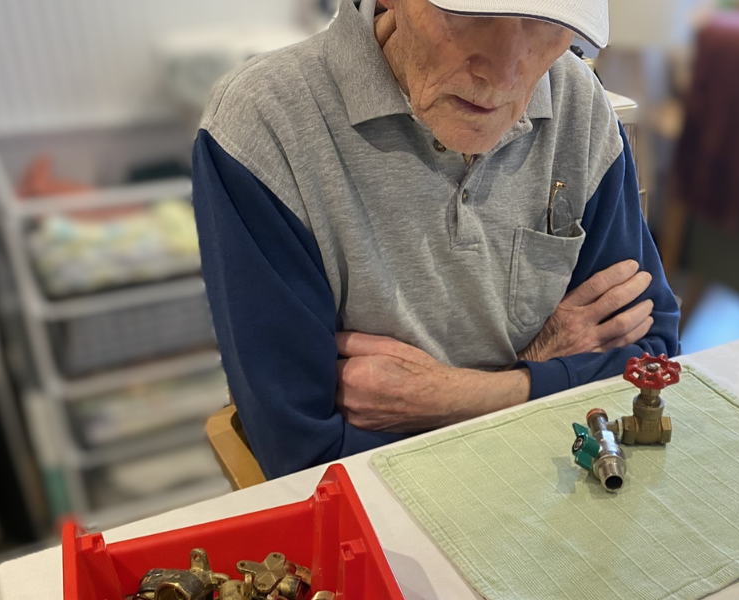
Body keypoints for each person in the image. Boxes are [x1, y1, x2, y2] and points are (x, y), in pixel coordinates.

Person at [192, 0, 681, 478]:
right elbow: (304, 453)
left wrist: (446, 396)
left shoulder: (578, 102)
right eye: (470, 14)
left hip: (560, 475)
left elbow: (653, 361)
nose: (503, 74)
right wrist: (553, 373)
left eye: (545, 24)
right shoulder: (262, 125)